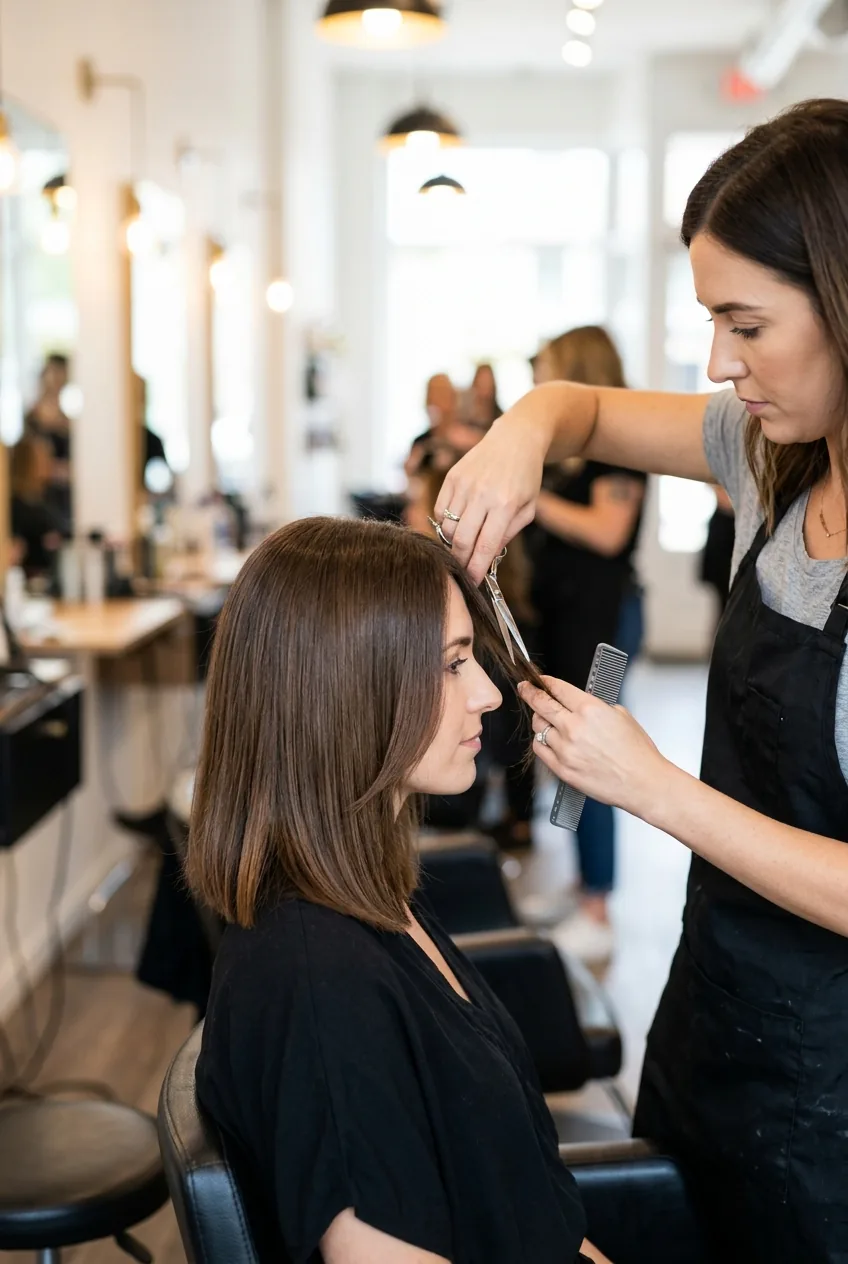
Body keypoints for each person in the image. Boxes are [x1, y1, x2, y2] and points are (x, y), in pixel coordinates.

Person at [432, 97, 848, 1264]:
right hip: (709, 1031)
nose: (718, 363)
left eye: (745, 323)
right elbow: (591, 407)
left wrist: (653, 789)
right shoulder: (771, 459)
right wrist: (527, 424)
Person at [187, 517, 610, 1264]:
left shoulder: (369, 897)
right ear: (346, 689)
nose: (485, 692)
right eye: (451, 665)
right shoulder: (320, 985)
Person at [528, 327, 646, 958]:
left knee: (590, 755)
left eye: (548, 371)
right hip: (571, 620)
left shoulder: (620, 449)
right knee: (563, 751)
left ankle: (598, 908)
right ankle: (582, 885)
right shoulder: (578, 454)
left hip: (604, 624)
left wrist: (532, 499)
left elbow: (607, 531)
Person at [10, 434, 69, 578]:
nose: (49, 463)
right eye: (42, 459)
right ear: (26, 463)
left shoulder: (51, 496)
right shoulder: (15, 506)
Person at [24, 352, 73, 524]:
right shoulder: (33, 416)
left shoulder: (68, 420)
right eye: (55, 372)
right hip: (43, 492)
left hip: (66, 494)